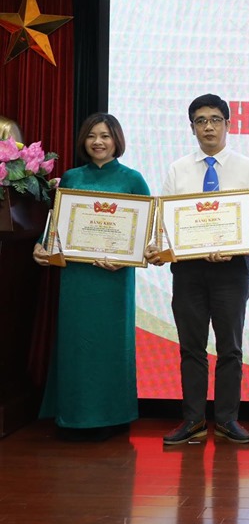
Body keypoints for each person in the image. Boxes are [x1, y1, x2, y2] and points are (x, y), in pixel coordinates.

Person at [146, 94, 249, 445]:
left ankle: (227, 419)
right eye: (201, 121)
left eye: (215, 119)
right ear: (192, 127)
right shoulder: (178, 169)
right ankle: (193, 419)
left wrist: (234, 246)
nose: (208, 127)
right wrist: (158, 247)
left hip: (232, 270)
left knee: (230, 349)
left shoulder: (248, 168)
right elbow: (167, 221)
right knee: (191, 347)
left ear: (228, 124)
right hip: (188, 271)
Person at [33, 113, 150, 440]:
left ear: (117, 140)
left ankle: (114, 416)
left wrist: (128, 258)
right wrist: (41, 246)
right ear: (83, 140)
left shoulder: (133, 179)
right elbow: (56, 224)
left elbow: (146, 234)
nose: (98, 142)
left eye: (105, 136)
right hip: (77, 278)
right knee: (77, 345)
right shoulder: (71, 178)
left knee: (112, 345)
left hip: (114, 279)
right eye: (91, 136)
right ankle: (74, 416)